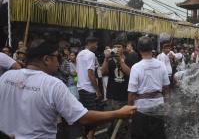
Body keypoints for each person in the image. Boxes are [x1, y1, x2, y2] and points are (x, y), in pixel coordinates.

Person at [0, 38, 136, 139]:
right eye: (57, 57)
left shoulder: (6, 77)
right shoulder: (52, 84)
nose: (59, 62)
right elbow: (82, 118)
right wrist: (119, 113)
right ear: (46, 59)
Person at [128, 36, 170, 139]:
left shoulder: (136, 67)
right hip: (158, 105)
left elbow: (131, 94)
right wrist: (166, 103)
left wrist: (129, 110)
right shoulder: (161, 65)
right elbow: (166, 88)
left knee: (140, 136)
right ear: (152, 49)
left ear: (139, 50)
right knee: (158, 135)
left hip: (141, 108)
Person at [102, 38, 137, 138]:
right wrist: (106, 59)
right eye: (115, 47)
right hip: (111, 96)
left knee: (122, 125)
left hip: (123, 97)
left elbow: (130, 73)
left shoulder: (129, 58)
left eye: (119, 47)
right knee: (110, 123)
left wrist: (120, 61)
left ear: (124, 48)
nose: (116, 48)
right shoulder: (109, 59)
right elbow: (103, 72)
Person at [76, 36, 102, 139]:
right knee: (95, 117)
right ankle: (90, 136)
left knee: (86, 115)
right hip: (89, 89)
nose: (96, 46)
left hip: (81, 88)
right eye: (95, 44)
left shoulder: (79, 54)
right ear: (90, 43)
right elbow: (90, 74)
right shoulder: (91, 55)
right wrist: (97, 90)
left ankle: (85, 136)